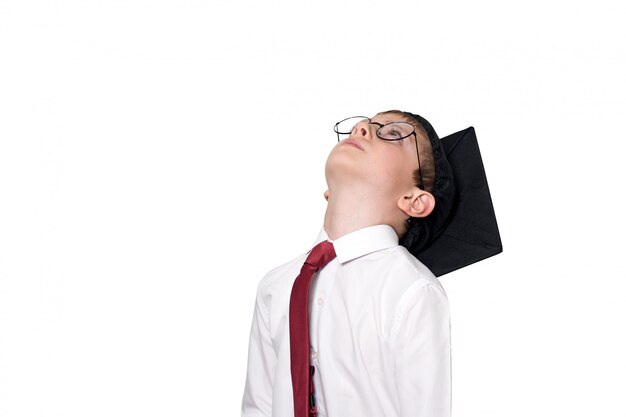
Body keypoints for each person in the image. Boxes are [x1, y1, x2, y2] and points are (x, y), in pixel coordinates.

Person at [241, 109, 505, 417]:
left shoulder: (410, 290)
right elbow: (257, 408)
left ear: (414, 200)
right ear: (329, 193)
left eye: (393, 134)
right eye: (364, 125)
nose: (362, 127)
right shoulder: (276, 287)